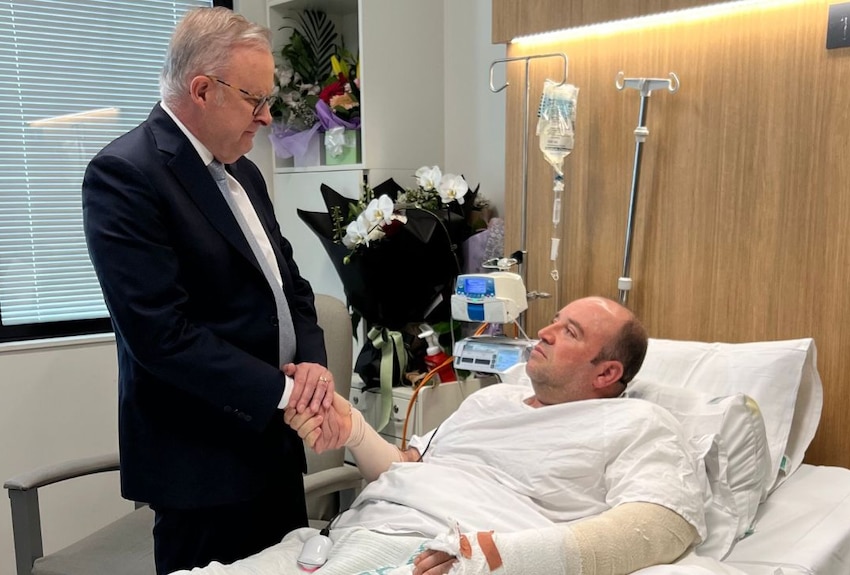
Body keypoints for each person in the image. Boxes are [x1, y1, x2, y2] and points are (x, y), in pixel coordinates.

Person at [82, 7, 335, 574]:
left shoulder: (242, 171)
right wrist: (287, 393)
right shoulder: (125, 175)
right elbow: (160, 335)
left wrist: (314, 367)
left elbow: (290, 285)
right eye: (255, 100)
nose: (267, 118)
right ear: (202, 89)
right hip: (203, 466)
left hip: (274, 447)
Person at [285, 296, 707, 575]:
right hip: (346, 538)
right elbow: (408, 469)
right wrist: (355, 431)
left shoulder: (637, 421)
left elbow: (659, 526)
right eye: (555, 320)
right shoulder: (493, 401)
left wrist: (497, 557)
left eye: (570, 332)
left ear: (607, 372)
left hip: (441, 556)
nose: (545, 331)